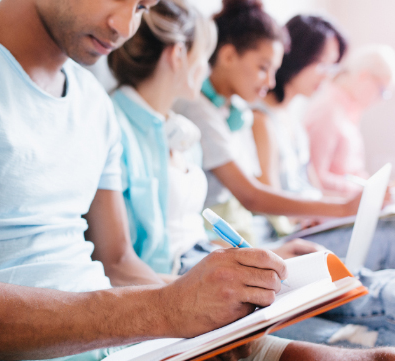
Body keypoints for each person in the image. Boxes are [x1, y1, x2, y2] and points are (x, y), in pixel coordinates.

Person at [0, 1, 395, 361]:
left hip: (132, 359)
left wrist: (209, 321)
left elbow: (118, 259)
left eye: (140, 5)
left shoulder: (92, 103)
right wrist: (165, 311)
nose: (122, 24)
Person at [108, 0, 321, 276]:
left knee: (312, 272)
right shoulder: (120, 126)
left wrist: (261, 257)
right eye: (205, 54)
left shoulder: (181, 130)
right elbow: (125, 262)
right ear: (178, 56)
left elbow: (193, 235)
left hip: (201, 259)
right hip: (175, 278)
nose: (208, 66)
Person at [173, 0, 363, 250]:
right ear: (228, 56)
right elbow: (251, 195)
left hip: (244, 233)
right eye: (263, 68)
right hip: (214, 239)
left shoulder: (235, 111)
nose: (271, 82)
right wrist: (343, 208)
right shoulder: (198, 109)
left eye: (273, 70)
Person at [250, 15, 395, 276]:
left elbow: (313, 188)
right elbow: (276, 209)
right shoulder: (262, 119)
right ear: (298, 55)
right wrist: (342, 208)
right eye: (323, 64)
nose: (328, 76)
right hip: (293, 234)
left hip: (314, 221)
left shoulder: (293, 120)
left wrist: (354, 204)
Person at [306, 44, 395, 196]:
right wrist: (364, 190)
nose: (380, 100)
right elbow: (315, 178)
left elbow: (352, 171)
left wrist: (375, 186)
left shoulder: (349, 112)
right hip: (333, 210)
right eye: (382, 91)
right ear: (364, 76)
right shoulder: (327, 111)